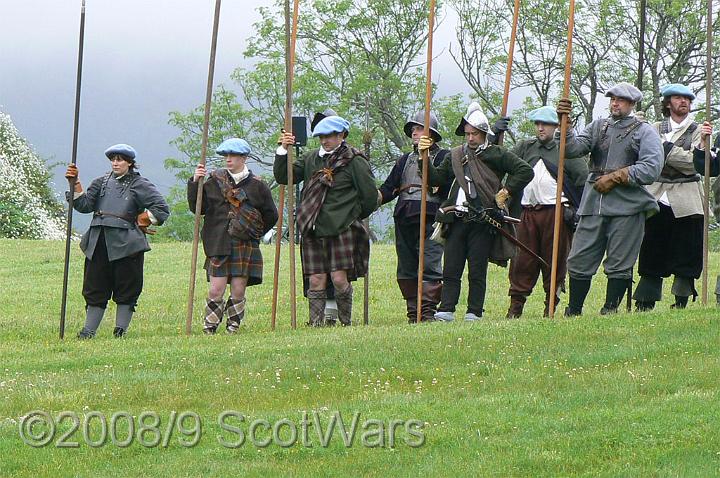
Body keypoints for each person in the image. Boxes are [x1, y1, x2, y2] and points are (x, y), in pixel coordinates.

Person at [557, 82, 664, 316]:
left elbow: (651, 168)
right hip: (593, 203)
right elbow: (572, 149)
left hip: (628, 205)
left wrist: (617, 176)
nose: (615, 103)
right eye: (612, 99)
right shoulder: (598, 126)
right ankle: (573, 310)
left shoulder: (645, 131)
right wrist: (564, 126)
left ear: (632, 103)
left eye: (621, 100)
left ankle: (610, 309)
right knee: (579, 258)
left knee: (619, 262)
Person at [421, 102, 534, 321]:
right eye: (468, 133)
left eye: (475, 134)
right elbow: (435, 179)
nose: (471, 138)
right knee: (451, 268)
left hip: (484, 219)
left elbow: (524, 171)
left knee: (477, 270)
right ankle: (446, 310)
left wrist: (505, 192)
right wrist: (423, 157)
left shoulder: (497, 154)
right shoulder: (454, 155)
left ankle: (474, 312)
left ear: (484, 134)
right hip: (456, 218)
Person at [275, 115, 377, 326]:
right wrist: (283, 150)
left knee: (340, 279)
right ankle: (315, 324)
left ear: (342, 135)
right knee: (315, 279)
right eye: (321, 136)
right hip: (312, 228)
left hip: (342, 229)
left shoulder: (355, 160)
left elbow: (369, 196)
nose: (324, 140)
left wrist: (351, 218)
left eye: (329, 136)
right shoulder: (312, 159)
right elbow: (284, 177)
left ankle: (345, 321)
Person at [64, 144, 169, 338]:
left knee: (127, 286)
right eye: (113, 159)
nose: (115, 163)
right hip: (98, 241)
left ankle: (120, 330)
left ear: (130, 162)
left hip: (127, 243)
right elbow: (84, 205)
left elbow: (162, 209)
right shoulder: (100, 182)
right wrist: (75, 183)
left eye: (120, 159)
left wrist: (141, 219)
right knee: (94, 286)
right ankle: (88, 330)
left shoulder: (141, 184)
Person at [188, 138, 278, 334]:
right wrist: (196, 182)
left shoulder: (257, 185)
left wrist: (254, 232)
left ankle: (233, 327)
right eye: (226, 156)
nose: (228, 159)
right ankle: (209, 327)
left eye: (233, 156)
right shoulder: (212, 181)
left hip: (245, 244)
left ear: (244, 158)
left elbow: (271, 214)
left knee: (238, 289)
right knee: (215, 289)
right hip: (218, 242)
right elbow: (197, 207)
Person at [506, 106, 588, 318]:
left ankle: (550, 305)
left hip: (556, 213)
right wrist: (497, 136)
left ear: (556, 126)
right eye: (538, 124)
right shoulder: (525, 147)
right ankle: (516, 307)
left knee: (555, 259)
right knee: (521, 260)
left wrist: (575, 209)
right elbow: (503, 162)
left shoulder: (566, 149)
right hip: (527, 212)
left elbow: (582, 179)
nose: (540, 128)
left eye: (546, 124)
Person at [634, 84, 707, 310]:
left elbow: (694, 164)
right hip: (656, 195)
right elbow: (647, 158)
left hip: (688, 197)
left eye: (687, 99)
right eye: (678, 98)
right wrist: (672, 154)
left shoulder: (699, 131)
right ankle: (646, 300)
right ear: (668, 103)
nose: (683, 102)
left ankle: (681, 299)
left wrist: (664, 148)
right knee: (651, 249)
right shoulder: (654, 127)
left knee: (687, 251)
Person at [378, 110, 449, 323]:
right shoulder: (403, 160)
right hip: (404, 218)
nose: (414, 133)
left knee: (430, 264)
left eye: (419, 129)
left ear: (431, 133)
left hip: (431, 217)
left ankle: (426, 313)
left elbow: (447, 188)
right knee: (407, 267)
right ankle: (413, 313)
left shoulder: (444, 157)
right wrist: (369, 199)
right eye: (413, 130)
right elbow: (388, 189)